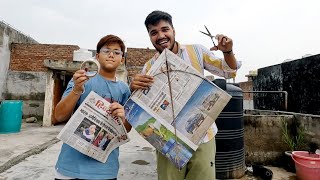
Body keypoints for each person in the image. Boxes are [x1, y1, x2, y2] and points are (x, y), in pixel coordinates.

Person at [130, 10, 241, 180]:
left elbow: (229, 71)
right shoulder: (148, 67)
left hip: (203, 136)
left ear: (174, 30)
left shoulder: (196, 51)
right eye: (154, 32)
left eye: (165, 29)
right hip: (167, 142)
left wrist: (228, 52)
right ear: (150, 37)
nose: (160, 36)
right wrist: (133, 88)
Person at [54, 34, 132, 180]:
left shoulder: (124, 89)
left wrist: (123, 117)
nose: (111, 55)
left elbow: (126, 129)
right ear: (97, 56)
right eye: (106, 51)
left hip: (105, 171)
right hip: (70, 169)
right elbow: (59, 116)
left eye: (116, 52)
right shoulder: (82, 80)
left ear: (122, 59)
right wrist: (77, 89)